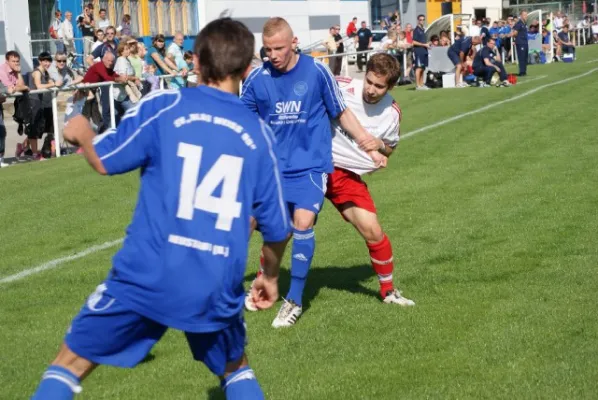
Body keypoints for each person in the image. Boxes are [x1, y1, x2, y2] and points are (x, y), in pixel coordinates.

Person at [30, 18, 289, 400]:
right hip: (214, 281)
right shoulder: (258, 133)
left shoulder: (165, 106)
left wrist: (81, 130)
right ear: (247, 68)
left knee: (69, 364)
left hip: (148, 273)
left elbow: (105, 159)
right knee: (236, 369)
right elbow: (277, 227)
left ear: (196, 62)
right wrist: (269, 274)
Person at [241, 17, 386, 328]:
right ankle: (254, 284)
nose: (273, 56)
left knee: (303, 222)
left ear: (294, 43)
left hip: (310, 166)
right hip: (272, 173)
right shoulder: (257, 79)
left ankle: (293, 301)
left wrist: (367, 145)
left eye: (278, 48)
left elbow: (341, 112)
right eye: (267, 50)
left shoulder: (317, 71)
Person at [327, 53, 415, 306]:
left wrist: (380, 146)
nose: (371, 90)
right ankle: (262, 283)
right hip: (316, 163)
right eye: (369, 82)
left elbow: (390, 148)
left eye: (379, 86)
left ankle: (388, 292)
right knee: (288, 228)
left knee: (374, 232)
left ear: (391, 86)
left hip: (346, 175)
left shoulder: (392, 113)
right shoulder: (341, 85)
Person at [0, 51, 29, 167]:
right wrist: (22, 87)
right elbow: (10, 89)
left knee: (1, 132)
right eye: (13, 61)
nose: (16, 63)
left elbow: (20, 86)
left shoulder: (16, 71)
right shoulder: (2, 70)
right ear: (7, 61)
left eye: (17, 61)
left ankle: (0, 159)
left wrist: (19, 73)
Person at [412, 14, 430, 90]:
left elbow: (423, 41)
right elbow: (413, 42)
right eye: (420, 19)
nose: (422, 21)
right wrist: (424, 44)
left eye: (423, 19)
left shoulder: (423, 30)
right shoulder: (416, 30)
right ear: (418, 20)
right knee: (418, 68)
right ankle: (418, 85)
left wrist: (428, 44)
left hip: (424, 51)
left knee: (423, 68)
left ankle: (421, 84)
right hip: (418, 51)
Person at [511, 11, 529, 76]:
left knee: (525, 57)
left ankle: (524, 71)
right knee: (521, 57)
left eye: (526, 15)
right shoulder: (519, 23)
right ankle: (521, 72)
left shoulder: (525, 24)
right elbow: (515, 32)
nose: (526, 16)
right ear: (521, 16)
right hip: (520, 42)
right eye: (524, 15)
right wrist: (517, 38)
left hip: (525, 42)